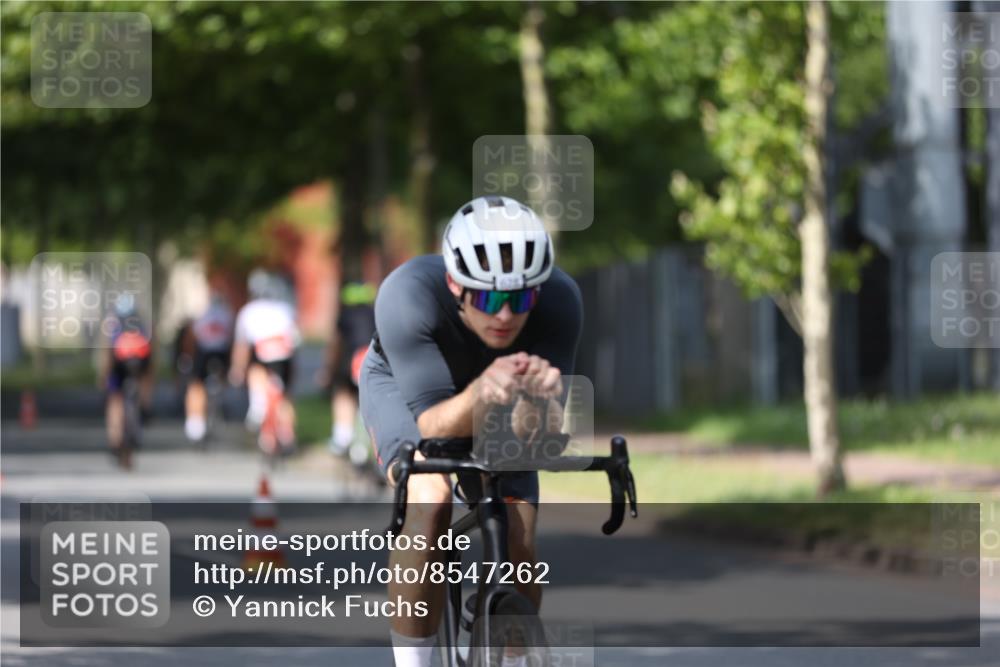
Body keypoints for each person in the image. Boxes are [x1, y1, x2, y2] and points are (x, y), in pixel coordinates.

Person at [359, 196, 582, 667]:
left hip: (498, 393)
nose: (504, 316)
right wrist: (482, 394)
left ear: (537, 292)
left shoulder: (561, 301)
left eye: (519, 299)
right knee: (431, 499)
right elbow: (433, 426)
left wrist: (539, 404)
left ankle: (511, 654)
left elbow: (534, 439)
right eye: (487, 298)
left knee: (520, 530)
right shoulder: (407, 295)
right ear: (455, 284)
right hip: (407, 390)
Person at [230, 269, 300, 454]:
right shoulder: (285, 308)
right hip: (284, 354)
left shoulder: (247, 311)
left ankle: (258, 405)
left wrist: (237, 369)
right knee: (285, 396)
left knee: (256, 370)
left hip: (262, 354)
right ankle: (287, 433)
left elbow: (242, 346)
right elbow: (294, 340)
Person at [98, 292, 154, 470]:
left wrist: (104, 375)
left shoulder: (112, 323)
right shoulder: (142, 323)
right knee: (144, 380)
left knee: (115, 400)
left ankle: (115, 440)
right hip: (140, 362)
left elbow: (106, 351)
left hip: (119, 363)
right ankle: (145, 407)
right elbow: (153, 350)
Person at [320, 281, 377, 456]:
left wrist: (328, 370)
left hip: (351, 361)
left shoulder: (344, 315)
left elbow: (335, 345)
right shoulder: (375, 314)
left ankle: (342, 437)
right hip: (373, 361)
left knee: (343, 393)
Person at [183, 290, 234, 442]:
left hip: (204, 354)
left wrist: (188, 357)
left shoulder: (202, 315)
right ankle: (221, 398)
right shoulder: (227, 314)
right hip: (222, 354)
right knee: (222, 376)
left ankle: (195, 422)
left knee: (196, 385)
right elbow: (232, 338)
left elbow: (192, 338)